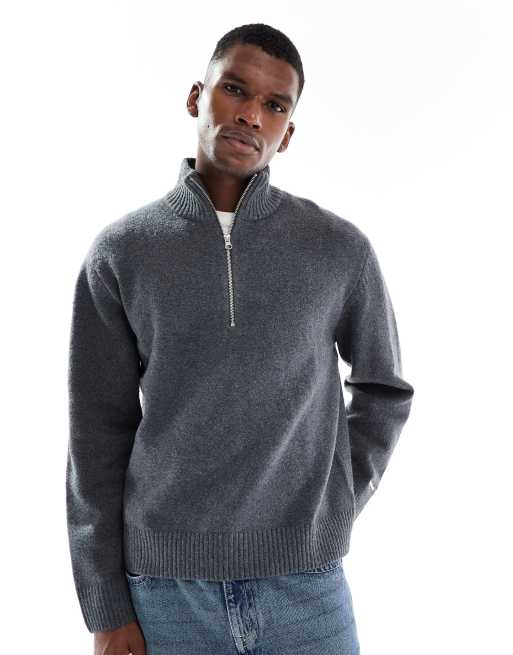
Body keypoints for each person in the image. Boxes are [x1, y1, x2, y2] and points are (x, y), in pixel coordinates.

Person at [66, 22, 414, 655]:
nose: (251, 115)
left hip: (306, 589)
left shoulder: (338, 249)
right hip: (165, 596)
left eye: (275, 105)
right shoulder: (122, 253)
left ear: (289, 132)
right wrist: (105, 608)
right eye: (235, 90)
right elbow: (95, 435)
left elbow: (384, 389)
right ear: (196, 96)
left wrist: (333, 499)